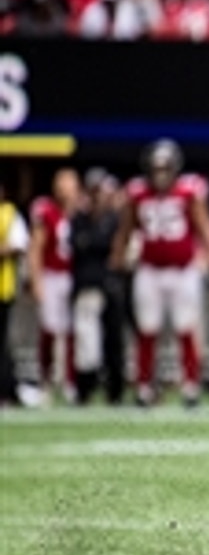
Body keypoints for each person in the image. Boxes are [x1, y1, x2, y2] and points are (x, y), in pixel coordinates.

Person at [111, 140, 209, 408]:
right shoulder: (137, 193)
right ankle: (143, 387)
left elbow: (204, 224)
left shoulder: (189, 192)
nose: (161, 174)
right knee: (147, 329)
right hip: (150, 269)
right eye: (156, 168)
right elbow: (126, 229)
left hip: (183, 269)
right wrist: (117, 258)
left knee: (186, 327)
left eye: (166, 168)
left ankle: (190, 386)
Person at [69, 169, 127, 405]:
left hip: (111, 285)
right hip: (87, 285)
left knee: (114, 340)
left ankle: (115, 391)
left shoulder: (115, 220)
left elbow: (118, 250)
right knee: (86, 342)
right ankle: (85, 389)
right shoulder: (79, 220)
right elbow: (80, 246)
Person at [28, 168, 80, 404]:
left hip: (74, 276)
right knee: (49, 330)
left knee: (72, 332)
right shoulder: (46, 210)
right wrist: (36, 280)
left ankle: (71, 382)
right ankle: (46, 381)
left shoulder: (81, 211)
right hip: (52, 275)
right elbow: (36, 248)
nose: (65, 189)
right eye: (62, 184)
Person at [0, 182, 29, 405]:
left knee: (3, 342)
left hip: (3, 288)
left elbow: (19, 244)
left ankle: (8, 390)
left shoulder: (9, 213)